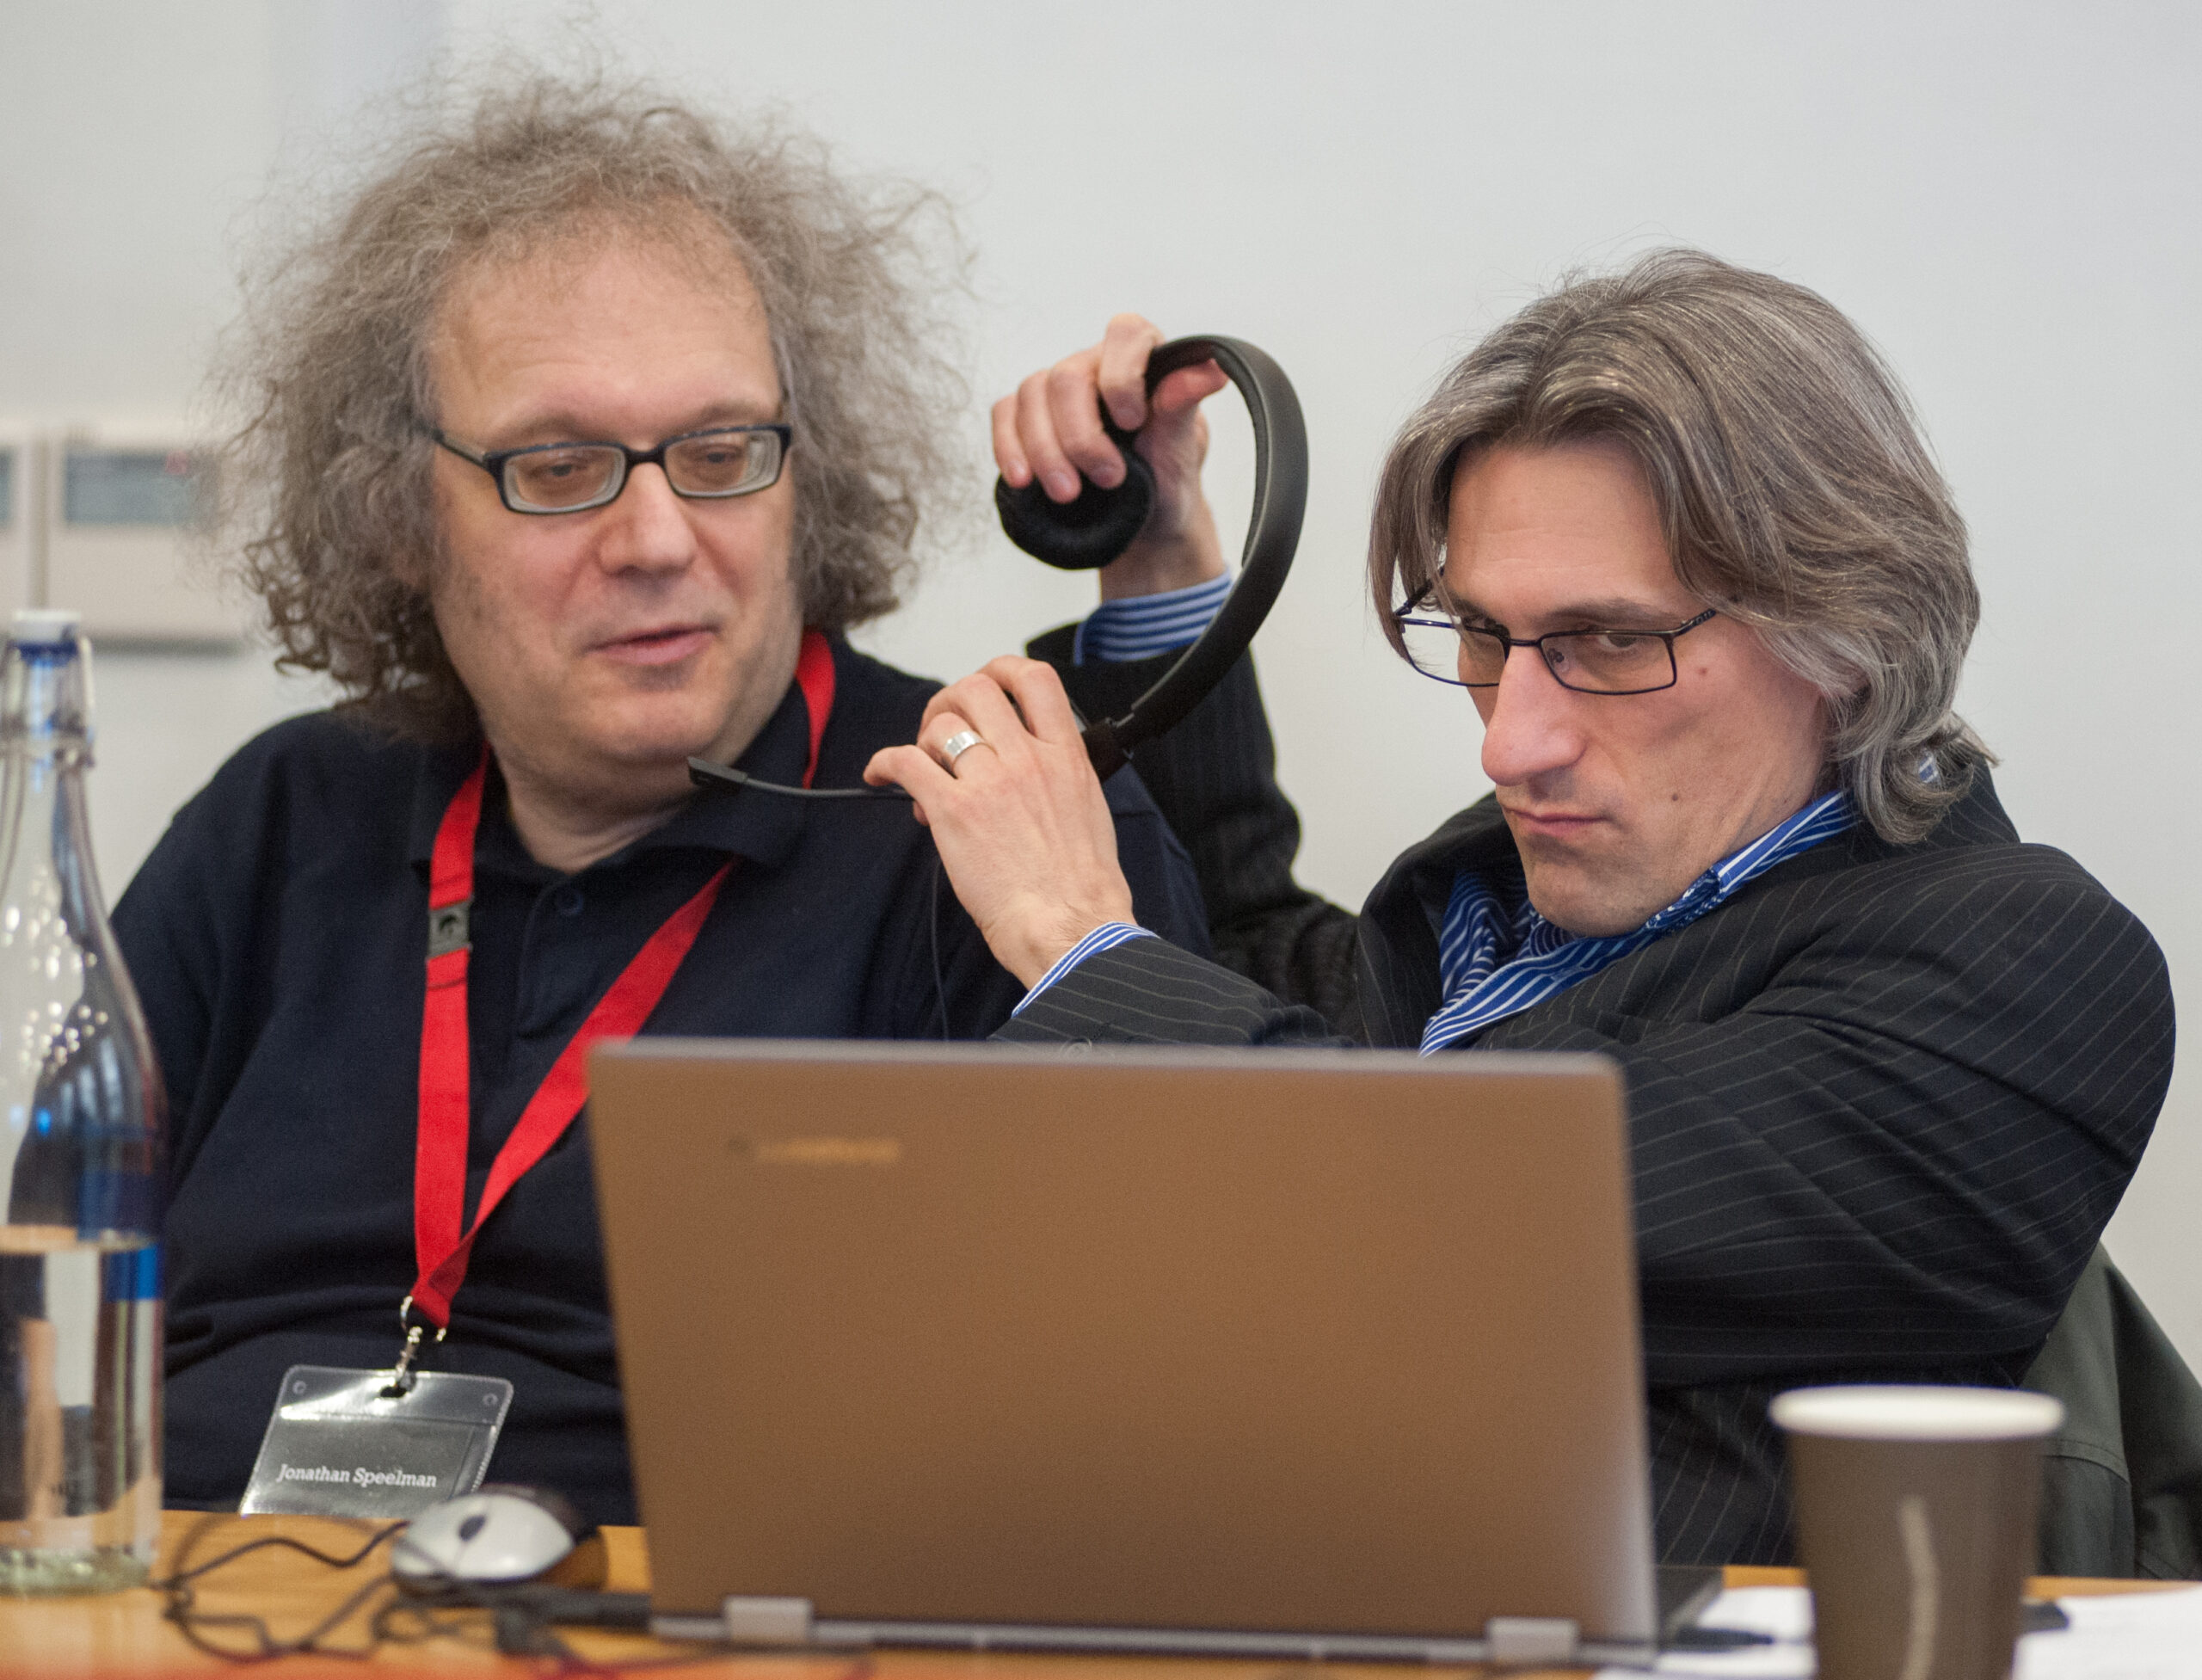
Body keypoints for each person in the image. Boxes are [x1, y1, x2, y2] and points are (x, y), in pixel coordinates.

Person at [868, 252, 2178, 1565]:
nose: (1510, 745)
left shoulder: (2023, 962)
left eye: (1611, 642)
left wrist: (1080, 946)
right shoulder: (1497, 906)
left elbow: (1469, 1204)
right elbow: (1255, 954)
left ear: (1848, 627)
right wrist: (1159, 573)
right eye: (1485, 638)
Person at [114, 78, 1206, 1524]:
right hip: (170, 1597)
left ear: (802, 482)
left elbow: (1148, 1421)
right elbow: (41, 1286)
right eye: (558, 467)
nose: (654, 538)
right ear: (394, 514)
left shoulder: (987, 834)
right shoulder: (280, 821)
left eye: (717, 454)